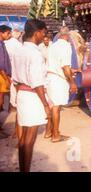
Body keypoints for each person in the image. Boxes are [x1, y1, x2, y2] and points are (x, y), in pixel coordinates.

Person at [12, 19, 51, 172]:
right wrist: (46, 105)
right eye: (44, 33)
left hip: (22, 93)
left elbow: (14, 79)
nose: (44, 36)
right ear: (37, 33)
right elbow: (37, 83)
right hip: (33, 95)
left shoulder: (18, 50)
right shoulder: (35, 53)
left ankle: (23, 169)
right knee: (30, 138)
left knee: (23, 138)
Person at [44, 27, 77, 142]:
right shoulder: (66, 46)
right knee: (56, 108)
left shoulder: (53, 46)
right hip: (58, 80)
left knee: (52, 106)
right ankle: (56, 135)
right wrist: (72, 83)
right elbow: (65, 67)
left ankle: (48, 132)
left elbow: (56, 64)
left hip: (49, 78)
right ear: (68, 36)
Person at [5, 29, 24, 141]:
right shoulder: (17, 45)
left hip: (12, 77)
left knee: (17, 107)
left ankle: (16, 132)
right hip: (16, 78)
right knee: (20, 109)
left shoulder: (7, 44)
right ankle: (18, 135)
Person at [0, 25, 12, 139]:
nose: (10, 35)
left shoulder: (2, 44)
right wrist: (7, 79)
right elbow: (1, 65)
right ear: (1, 33)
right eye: (8, 33)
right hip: (1, 77)